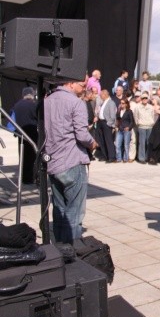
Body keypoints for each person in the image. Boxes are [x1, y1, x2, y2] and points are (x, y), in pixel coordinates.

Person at [44, 78, 98, 243]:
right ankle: (72, 254)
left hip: (53, 162)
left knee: (59, 210)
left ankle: (60, 248)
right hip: (72, 161)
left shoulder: (46, 101)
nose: (84, 89)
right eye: (82, 85)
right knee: (74, 213)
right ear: (70, 83)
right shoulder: (76, 103)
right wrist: (93, 143)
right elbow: (82, 135)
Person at [10, 87, 38, 184]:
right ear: (32, 94)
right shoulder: (33, 105)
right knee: (32, 157)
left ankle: (23, 177)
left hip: (20, 134)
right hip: (32, 134)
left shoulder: (17, 105)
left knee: (22, 156)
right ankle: (30, 178)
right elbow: (38, 118)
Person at [115, 99, 135, 163]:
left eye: (123, 103)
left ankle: (125, 158)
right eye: (121, 103)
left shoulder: (129, 111)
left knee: (126, 145)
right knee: (117, 144)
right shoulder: (119, 111)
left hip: (126, 130)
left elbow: (132, 122)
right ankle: (118, 158)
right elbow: (118, 120)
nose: (121, 104)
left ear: (126, 104)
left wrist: (129, 127)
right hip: (120, 129)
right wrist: (117, 127)